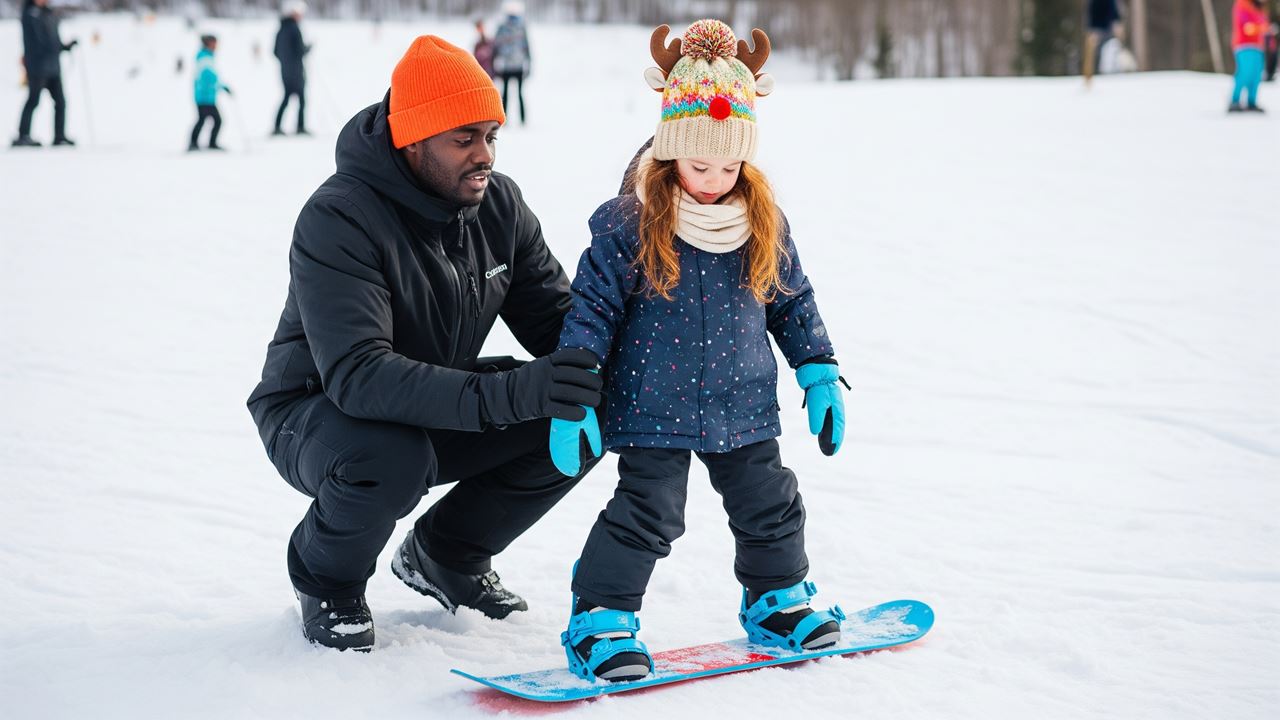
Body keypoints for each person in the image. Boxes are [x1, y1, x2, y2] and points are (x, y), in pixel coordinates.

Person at [246, 35, 603, 652]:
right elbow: (358, 376)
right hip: (316, 415)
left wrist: (635, 354)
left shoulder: (499, 206)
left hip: (432, 404)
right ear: (414, 140)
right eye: (463, 139)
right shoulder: (340, 217)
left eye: (490, 136)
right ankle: (324, 577)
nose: (483, 154)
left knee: (584, 411)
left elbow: (559, 325)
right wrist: (513, 393)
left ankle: (447, 555)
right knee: (390, 456)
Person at [549, 20, 847, 683]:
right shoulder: (631, 222)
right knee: (649, 513)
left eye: (730, 165)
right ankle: (600, 617)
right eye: (699, 165)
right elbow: (592, 310)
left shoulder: (761, 220)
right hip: (652, 400)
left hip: (741, 400)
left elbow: (791, 299)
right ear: (669, 153)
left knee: (770, 503)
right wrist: (573, 396)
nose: (715, 180)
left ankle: (775, 600)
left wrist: (819, 370)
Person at [13, 0, 77, 148]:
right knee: (33, 100)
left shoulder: (48, 13)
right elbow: (38, 41)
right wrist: (55, 47)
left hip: (53, 66)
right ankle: (23, 135)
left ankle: (59, 136)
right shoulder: (30, 14)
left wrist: (65, 46)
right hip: (37, 66)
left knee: (60, 102)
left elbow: (52, 38)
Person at [273, 0, 310, 136]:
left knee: (286, 98)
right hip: (296, 72)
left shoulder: (281, 29)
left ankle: (277, 126)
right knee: (301, 100)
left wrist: (285, 62)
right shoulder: (294, 29)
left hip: (285, 71)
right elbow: (300, 50)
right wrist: (308, 48)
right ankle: (300, 127)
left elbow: (275, 51)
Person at [189, 34, 231, 152]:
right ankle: (204, 143)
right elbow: (208, 77)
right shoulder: (205, 58)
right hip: (204, 96)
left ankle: (196, 143)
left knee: (204, 119)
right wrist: (220, 86)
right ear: (208, 43)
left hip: (207, 96)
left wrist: (221, 87)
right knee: (215, 120)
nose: (216, 46)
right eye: (214, 43)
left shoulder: (207, 57)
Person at [493, 2, 530, 124]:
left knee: (514, 94)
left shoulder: (517, 27)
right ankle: (507, 119)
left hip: (513, 66)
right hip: (510, 66)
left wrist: (528, 62)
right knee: (508, 94)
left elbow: (526, 46)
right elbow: (496, 46)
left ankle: (520, 119)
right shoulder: (505, 27)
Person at [1230, 0, 1269, 112]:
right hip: (1244, 45)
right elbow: (1247, 27)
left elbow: (1264, 24)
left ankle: (1251, 101)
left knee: (1256, 74)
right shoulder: (1242, 4)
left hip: (1258, 45)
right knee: (1245, 73)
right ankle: (1235, 100)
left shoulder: (1260, 7)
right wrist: (1261, 28)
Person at [1083, 0, 1120, 88]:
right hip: (1096, 29)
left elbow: (1114, 11)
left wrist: (1117, 23)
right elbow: (1091, 12)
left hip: (1108, 29)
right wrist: (1092, 30)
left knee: (1111, 54)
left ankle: (1111, 75)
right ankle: (1089, 79)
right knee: (1091, 55)